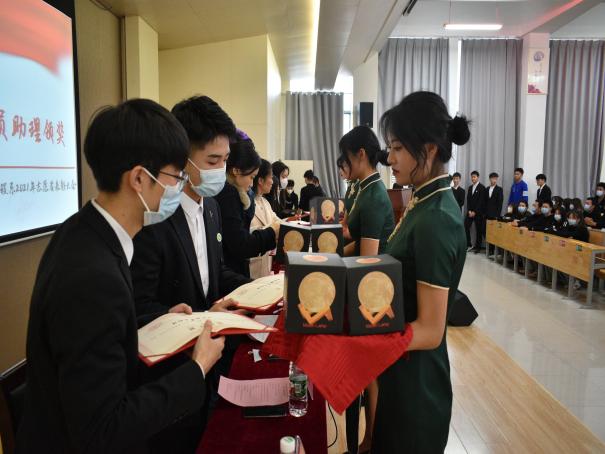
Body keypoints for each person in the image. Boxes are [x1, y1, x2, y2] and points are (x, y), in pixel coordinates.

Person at [17, 99, 225, 453]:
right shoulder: (93, 277)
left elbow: (103, 335)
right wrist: (196, 370)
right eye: (175, 177)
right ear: (140, 179)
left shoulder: (81, 229)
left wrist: (161, 319)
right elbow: (103, 430)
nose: (178, 188)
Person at [373, 91, 468, 453]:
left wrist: (368, 343)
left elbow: (430, 329)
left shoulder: (436, 218)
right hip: (401, 368)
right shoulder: (422, 201)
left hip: (417, 384)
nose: (390, 158)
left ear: (428, 150)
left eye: (398, 148)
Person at [214, 136, 279, 277]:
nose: (251, 183)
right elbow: (240, 244)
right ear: (236, 170)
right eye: (251, 177)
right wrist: (272, 232)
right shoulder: (229, 194)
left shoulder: (243, 196)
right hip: (233, 270)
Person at [340, 125, 395, 257]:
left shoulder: (374, 196)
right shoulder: (365, 186)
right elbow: (360, 242)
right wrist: (336, 255)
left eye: (346, 156)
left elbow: (368, 259)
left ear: (361, 154)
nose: (344, 162)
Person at [250, 159, 282, 278]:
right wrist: (273, 230)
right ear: (260, 180)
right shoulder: (246, 204)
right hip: (251, 264)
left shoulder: (265, 202)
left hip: (265, 265)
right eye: (271, 177)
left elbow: (278, 222)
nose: (272, 181)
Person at [464, 170, 486, 253]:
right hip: (470, 212)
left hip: (478, 213)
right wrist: (469, 210)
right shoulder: (470, 188)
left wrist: (475, 212)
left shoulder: (482, 187)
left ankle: (478, 247)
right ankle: (469, 244)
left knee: (478, 229)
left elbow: (481, 201)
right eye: (472, 177)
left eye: (474, 177)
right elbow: (468, 200)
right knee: (465, 226)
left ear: (478, 177)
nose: (473, 178)